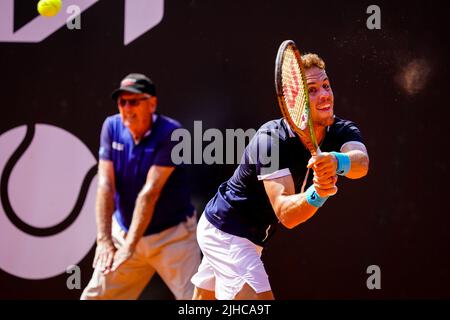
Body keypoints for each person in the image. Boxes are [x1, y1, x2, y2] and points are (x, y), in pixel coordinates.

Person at [191, 53, 370, 300]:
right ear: (294, 101)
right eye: (313, 90)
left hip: (248, 235)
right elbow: (287, 215)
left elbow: (361, 163)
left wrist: (338, 161)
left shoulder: (340, 129)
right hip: (228, 230)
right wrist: (318, 192)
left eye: (326, 86)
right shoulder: (270, 141)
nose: (325, 95)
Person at [81, 73, 200, 300]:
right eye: (122, 102)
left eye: (134, 101)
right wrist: (105, 240)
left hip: (173, 238)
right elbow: (105, 185)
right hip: (125, 233)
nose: (127, 108)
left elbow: (150, 193)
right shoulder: (111, 127)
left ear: (152, 104)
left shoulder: (171, 133)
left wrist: (129, 246)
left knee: (197, 302)